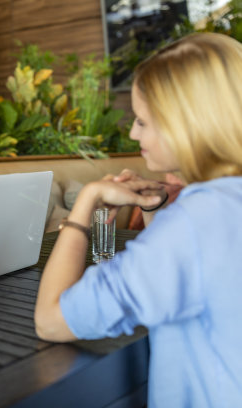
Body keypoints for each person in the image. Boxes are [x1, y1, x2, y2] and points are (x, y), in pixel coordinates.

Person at [34, 32, 242, 407]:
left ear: (188, 124)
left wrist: (87, 202)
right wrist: (154, 207)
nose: (132, 132)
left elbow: (51, 320)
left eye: (143, 122)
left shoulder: (195, 223)